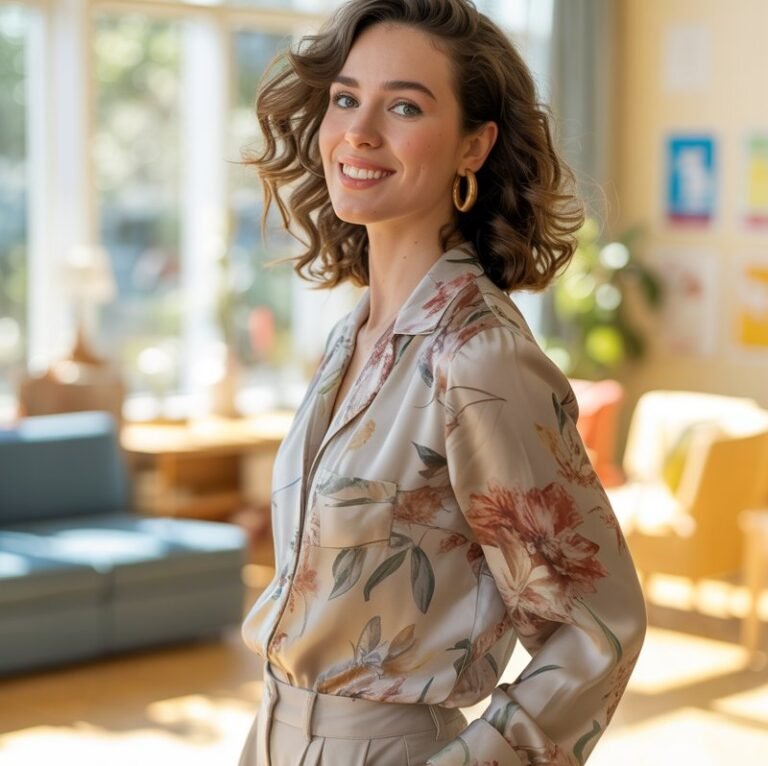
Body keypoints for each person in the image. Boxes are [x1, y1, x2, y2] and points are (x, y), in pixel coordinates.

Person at [239, 1, 646, 764]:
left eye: (404, 105)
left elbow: (598, 628)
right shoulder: (350, 338)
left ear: (474, 145)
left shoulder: (478, 356)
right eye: (345, 98)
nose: (359, 131)